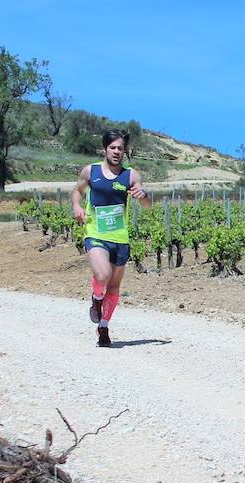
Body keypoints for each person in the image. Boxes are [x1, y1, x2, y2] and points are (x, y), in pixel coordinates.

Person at [71, 129, 152, 347]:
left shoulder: (131, 176)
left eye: (121, 148)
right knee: (103, 274)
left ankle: (104, 327)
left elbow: (147, 205)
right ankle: (97, 298)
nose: (117, 152)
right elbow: (77, 191)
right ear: (105, 149)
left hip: (120, 237)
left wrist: (143, 196)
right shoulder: (91, 171)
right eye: (113, 147)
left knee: (114, 287)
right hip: (96, 233)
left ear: (125, 151)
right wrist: (77, 206)